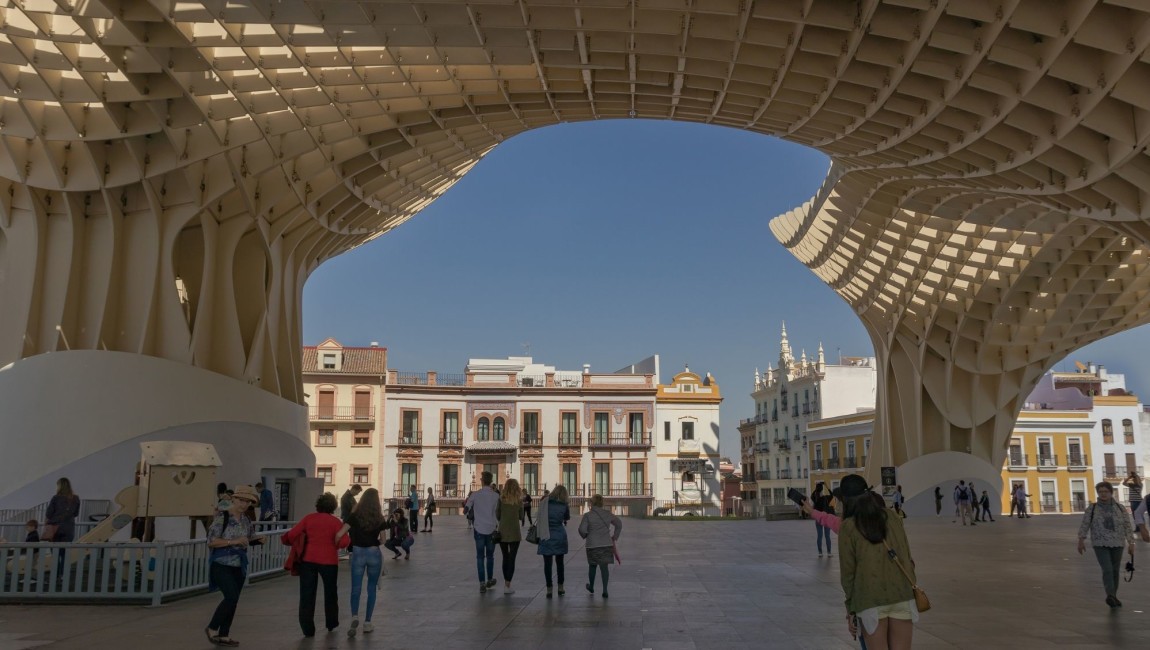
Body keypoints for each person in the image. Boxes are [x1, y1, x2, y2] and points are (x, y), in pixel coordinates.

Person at [838, 474, 918, 650]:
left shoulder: (848, 527)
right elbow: (907, 556)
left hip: (870, 599)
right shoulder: (892, 517)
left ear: (846, 500)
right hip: (902, 594)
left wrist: (851, 609)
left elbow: (848, 573)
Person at [282, 493, 350, 637]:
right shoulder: (335, 522)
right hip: (329, 561)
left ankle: (308, 629)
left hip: (308, 560)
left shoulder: (309, 518)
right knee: (330, 593)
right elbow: (344, 542)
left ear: (317, 505)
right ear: (333, 506)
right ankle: (331, 623)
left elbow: (292, 535)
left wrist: (287, 539)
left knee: (307, 594)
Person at [205, 485, 264, 647]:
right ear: (233, 499)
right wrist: (233, 541)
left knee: (233, 600)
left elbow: (248, 538)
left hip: (239, 565)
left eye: (247, 502)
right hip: (221, 564)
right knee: (230, 597)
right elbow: (212, 541)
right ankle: (212, 627)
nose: (243, 504)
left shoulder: (245, 520)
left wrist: (258, 540)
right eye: (240, 500)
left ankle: (224, 634)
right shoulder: (222, 518)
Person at [336, 488, 386, 638]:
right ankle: (367, 622)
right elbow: (383, 540)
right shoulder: (379, 517)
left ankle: (354, 616)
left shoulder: (354, 517)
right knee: (371, 588)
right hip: (373, 553)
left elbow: (339, 534)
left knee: (355, 588)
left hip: (357, 553)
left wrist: (336, 545)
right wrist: (374, 542)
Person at [1077, 481, 1137, 607]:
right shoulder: (1092, 508)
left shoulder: (1120, 508)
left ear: (1111, 492)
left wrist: (1131, 542)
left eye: (1106, 491)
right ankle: (1110, 594)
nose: (1103, 494)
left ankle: (1113, 596)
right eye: (1100, 492)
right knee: (1107, 569)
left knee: (1115, 570)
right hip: (1100, 543)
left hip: (1118, 543)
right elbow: (1085, 524)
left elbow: (1127, 525)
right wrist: (1081, 540)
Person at [579, 494, 622, 598]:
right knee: (604, 567)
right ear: (602, 503)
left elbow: (581, 529)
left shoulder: (588, 515)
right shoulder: (607, 514)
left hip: (592, 545)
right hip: (606, 544)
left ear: (592, 503)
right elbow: (619, 524)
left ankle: (592, 586)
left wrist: (585, 535)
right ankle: (605, 590)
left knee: (592, 566)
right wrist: (614, 537)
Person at [464, 472, 500, 593]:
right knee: (490, 556)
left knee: (480, 557)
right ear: (491, 481)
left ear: (481, 480)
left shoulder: (475, 495)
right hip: (491, 529)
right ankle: (490, 579)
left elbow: (466, 507)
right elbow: (498, 512)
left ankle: (482, 583)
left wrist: (467, 509)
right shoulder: (496, 496)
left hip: (479, 529)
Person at [537, 485, 571, 598]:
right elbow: (567, 517)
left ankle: (549, 588)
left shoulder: (544, 502)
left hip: (546, 535)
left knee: (547, 564)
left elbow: (539, 516)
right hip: (559, 535)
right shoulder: (564, 505)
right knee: (560, 563)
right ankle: (560, 587)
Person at [497, 479, 526, 594]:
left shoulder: (501, 500)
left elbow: (497, 515)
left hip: (502, 531)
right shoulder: (518, 501)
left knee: (505, 557)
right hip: (514, 532)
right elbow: (521, 516)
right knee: (512, 558)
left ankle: (506, 582)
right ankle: (507, 584)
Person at [812, 482, 834, 557]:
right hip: (826, 519)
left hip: (818, 519)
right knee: (827, 536)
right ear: (822, 490)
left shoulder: (815, 498)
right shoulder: (826, 498)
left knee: (819, 536)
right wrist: (826, 485)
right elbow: (832, 494)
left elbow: (812, 495)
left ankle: (820, 552)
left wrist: (816, 488)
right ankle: (829, 552)